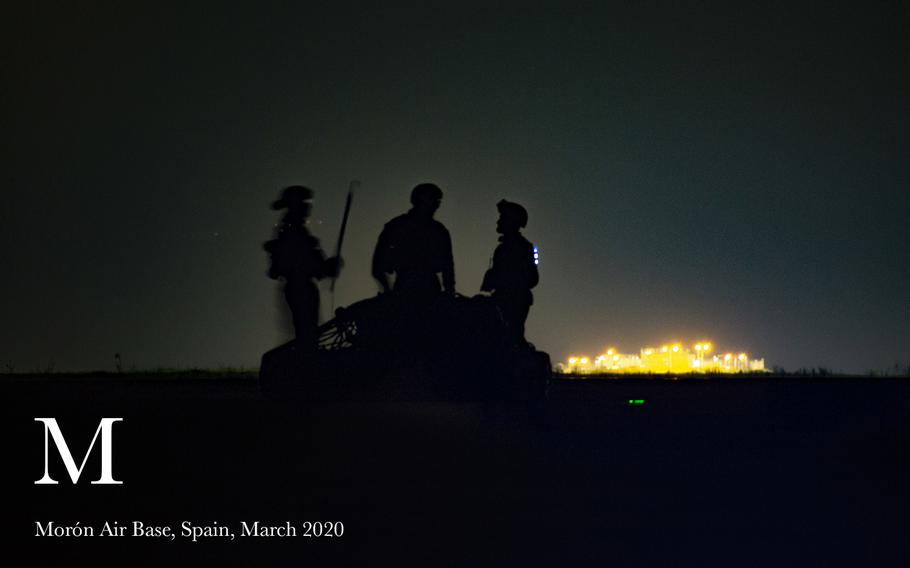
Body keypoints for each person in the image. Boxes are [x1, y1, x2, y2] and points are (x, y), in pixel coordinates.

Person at [264, 186, 341, 349]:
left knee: (306, 331)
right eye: (306, 203)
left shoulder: (290, 230)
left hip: (297, 287)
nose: (309, 207)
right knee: (307, 333)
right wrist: (328, 267)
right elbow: (309, 266)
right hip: (301, 288)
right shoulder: (294, 233)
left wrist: (327, 267)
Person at [371, 183, 455, 299]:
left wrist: (449, 293)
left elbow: (448, 268)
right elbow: (378, 265)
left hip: (428, 292)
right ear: (421, 200)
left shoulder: (439, 231)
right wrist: (388, 292)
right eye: (433, 199)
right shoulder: (397, 227)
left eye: (438, 201)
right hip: (405, 290)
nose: (437, 205)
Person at [481, 199, 539, 344]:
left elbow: (531, 277)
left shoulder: (520, 247)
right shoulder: (505, 247)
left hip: (512, 299)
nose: (498, 222)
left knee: (510, 338)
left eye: (502, 218)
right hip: (504, 297)